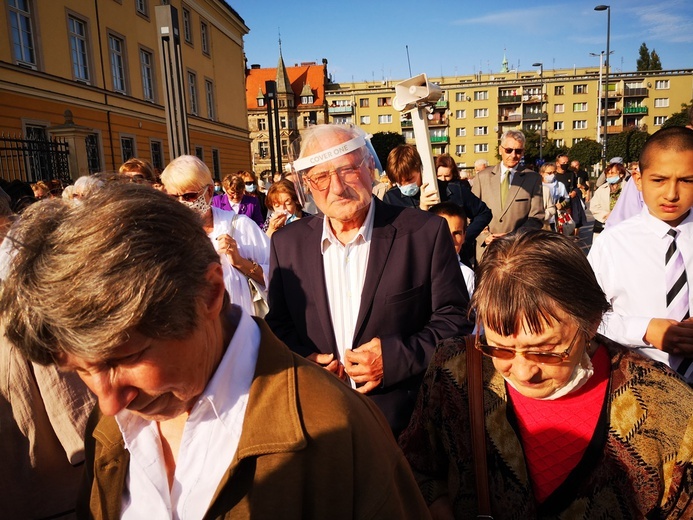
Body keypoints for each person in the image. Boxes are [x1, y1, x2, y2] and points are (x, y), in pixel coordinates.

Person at [0, 184, 430, 519]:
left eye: (125, 359)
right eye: (82, 370)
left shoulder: (338, 432)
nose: (108, 402)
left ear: (208, 295)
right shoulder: (111, 428)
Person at [400, 229, 693, 519]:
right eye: (500, 348)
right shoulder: (456, 370)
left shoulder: (668, 408)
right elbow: (414, 466)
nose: (524, 372)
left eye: (546, 351)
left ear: (591, 322)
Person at [267, 124, 472, 437]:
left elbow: (455, 319)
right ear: (307, 185)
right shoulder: (287, 244)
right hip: (319, 424)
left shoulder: (422, 233)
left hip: (403, 428)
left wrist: (395, 358)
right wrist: (303, 361)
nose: (336, 187)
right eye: (320, 176)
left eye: (348, 169)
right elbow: (278, 326)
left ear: (370, 167)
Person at [588, 126, 693, 384]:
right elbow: (585, 317)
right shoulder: (612, 244)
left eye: (687, 180)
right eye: (659, 180)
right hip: (638, 386)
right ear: (638, 179)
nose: (671, 194)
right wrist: (644, 329)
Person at [161, 155, 270, 317]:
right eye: (173, 197)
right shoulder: (165, 234)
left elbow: (277, 277)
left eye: (189, 196)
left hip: (236, 332)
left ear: (209, 191)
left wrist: (240, 262)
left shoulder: (240, 226)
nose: (181, 203)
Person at [471, 129, 544, 260]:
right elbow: (470, 213)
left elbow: (536, 218)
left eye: (518, 151)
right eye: (509, 150)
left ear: (523, 152)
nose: (513, 155)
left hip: (517, 251)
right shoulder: (482, 177)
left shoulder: (533, 179)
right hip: (486, 251)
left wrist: (513, 237)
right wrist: (483, 235)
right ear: (500, 150)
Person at [429, 201, 474, 296]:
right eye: (444, 232)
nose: (450, 240)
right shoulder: (411, 269)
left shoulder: (467, 276)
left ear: (464, 236)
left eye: (457, 233)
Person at [383, 144, 440, 211]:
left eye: (409, 179)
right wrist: (422, 210)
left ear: (420, 170)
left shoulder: (444, 190)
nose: (405, 185)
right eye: (399, 182)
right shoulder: (390, 198)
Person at [589, 161, 626, 234]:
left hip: (623, 226)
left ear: (621, 174)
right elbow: (594, 206)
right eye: (608, 174)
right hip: (604, 225)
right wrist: (606, 215)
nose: (610, 176)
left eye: (612, 173)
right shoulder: (602, 189)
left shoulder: (628, 188)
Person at [539, 162, 569, 232]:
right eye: (549, 173)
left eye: (554, 172)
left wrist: (562, 204)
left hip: (554, 218)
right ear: (542, 173)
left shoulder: (559, 185)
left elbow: (567, 199)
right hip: (541, 218)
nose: (552, 175)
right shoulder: (537, 185)